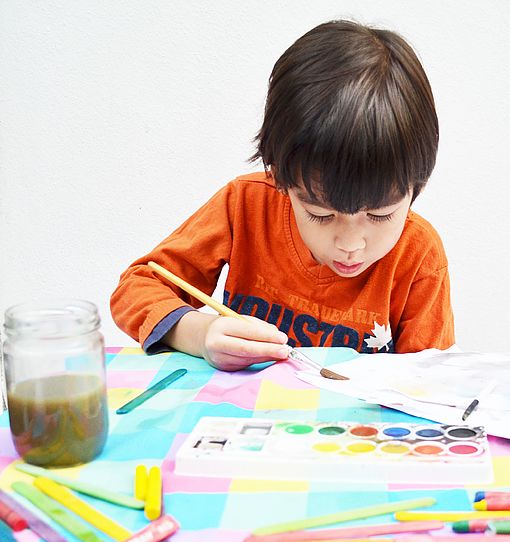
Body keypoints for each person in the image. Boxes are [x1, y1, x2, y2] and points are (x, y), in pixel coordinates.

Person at [110, 20, 454, 371]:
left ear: (418, 187)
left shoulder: (418, 254)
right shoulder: (245, 206)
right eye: (320, 213)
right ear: (280, 177)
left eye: (380, 215)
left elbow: (429, 385)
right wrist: (199, 333)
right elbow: (136, 288)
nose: (350, 244)